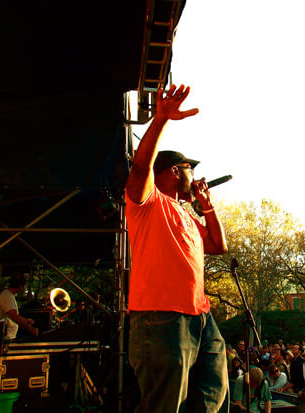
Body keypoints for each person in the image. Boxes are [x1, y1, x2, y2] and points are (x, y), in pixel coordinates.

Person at [126, 85, 229, 412]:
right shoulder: (149, 201)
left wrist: (207, 207)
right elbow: (141, 169)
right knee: (164, 404)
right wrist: (160, 120)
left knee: (212, 395)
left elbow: (217, 246)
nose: (195, 177)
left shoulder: (185, 212)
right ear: (173, 171)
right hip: (161, 318)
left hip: (200, 315)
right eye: (190, 170)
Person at [0, 273, 39, 341]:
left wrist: (25, 320)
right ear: (21, 286)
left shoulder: (9, 295)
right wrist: (30, 328)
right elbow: (14, 316)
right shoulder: (7, 296)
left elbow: (12, 315)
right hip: (6, 337)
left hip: (9, 336)